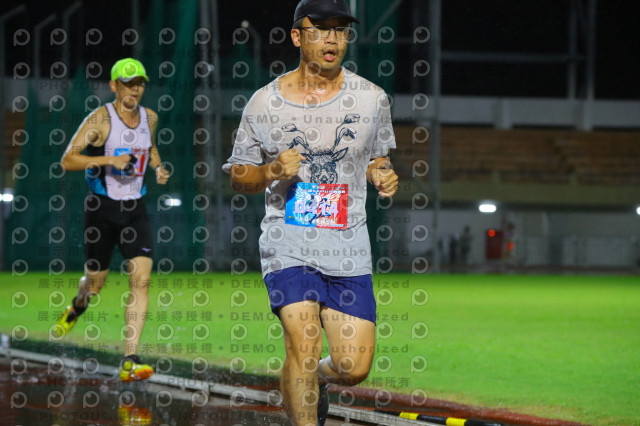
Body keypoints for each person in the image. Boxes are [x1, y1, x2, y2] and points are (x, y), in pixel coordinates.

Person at [223, 1, 398, 424]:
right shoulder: (265, 103)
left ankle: (318, 379)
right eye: (320, 29)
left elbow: (378, 157)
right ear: (297, 36)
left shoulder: (372, 99)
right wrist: (270, 170)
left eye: (340, 29)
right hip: (289, 240)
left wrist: (382, 173)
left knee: (354, 367)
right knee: (303, 344)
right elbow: (239, 175)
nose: (332, 38)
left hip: (348, 244)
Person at [55, 58, 170, 382]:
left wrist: (158, 167)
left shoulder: (150, 117)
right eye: (128, 83)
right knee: (95, 285)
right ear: (114, 86)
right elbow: (68, 159)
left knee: (141, 280)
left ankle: (130, 360)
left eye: (139, 83)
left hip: (135, 210)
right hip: (101, 210)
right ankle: (77, 305)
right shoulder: (100, 119)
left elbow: (150, 147)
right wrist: (109, 160)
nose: (135, 89)